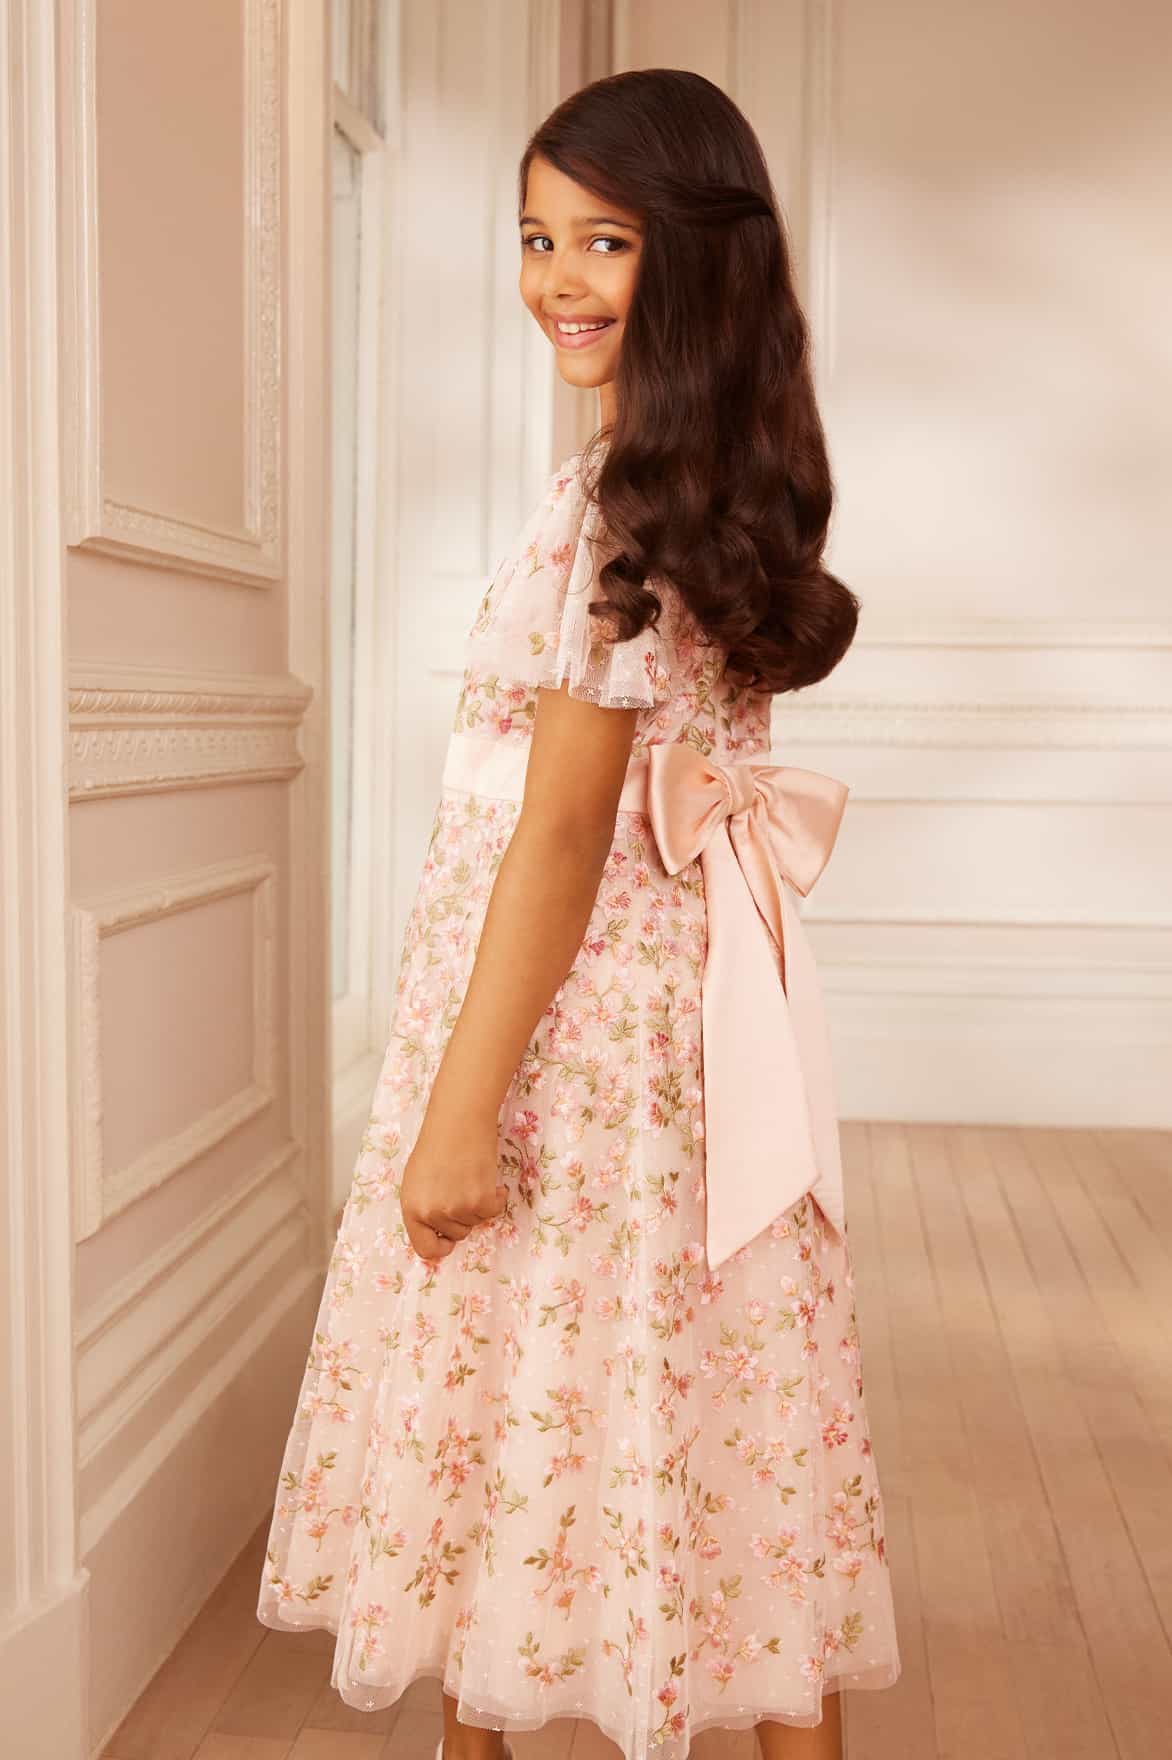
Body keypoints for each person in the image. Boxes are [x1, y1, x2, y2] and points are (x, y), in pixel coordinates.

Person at [257, 67, 901, 1760]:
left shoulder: (610, 514)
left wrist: (460, 1107)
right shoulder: (726, 486)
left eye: (602, 240)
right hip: (694, 1031)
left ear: (696, 253)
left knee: (507, 1393)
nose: (555, 278)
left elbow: (557, 836)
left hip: (574, 1039)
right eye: (536, 237)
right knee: (730, 1406)